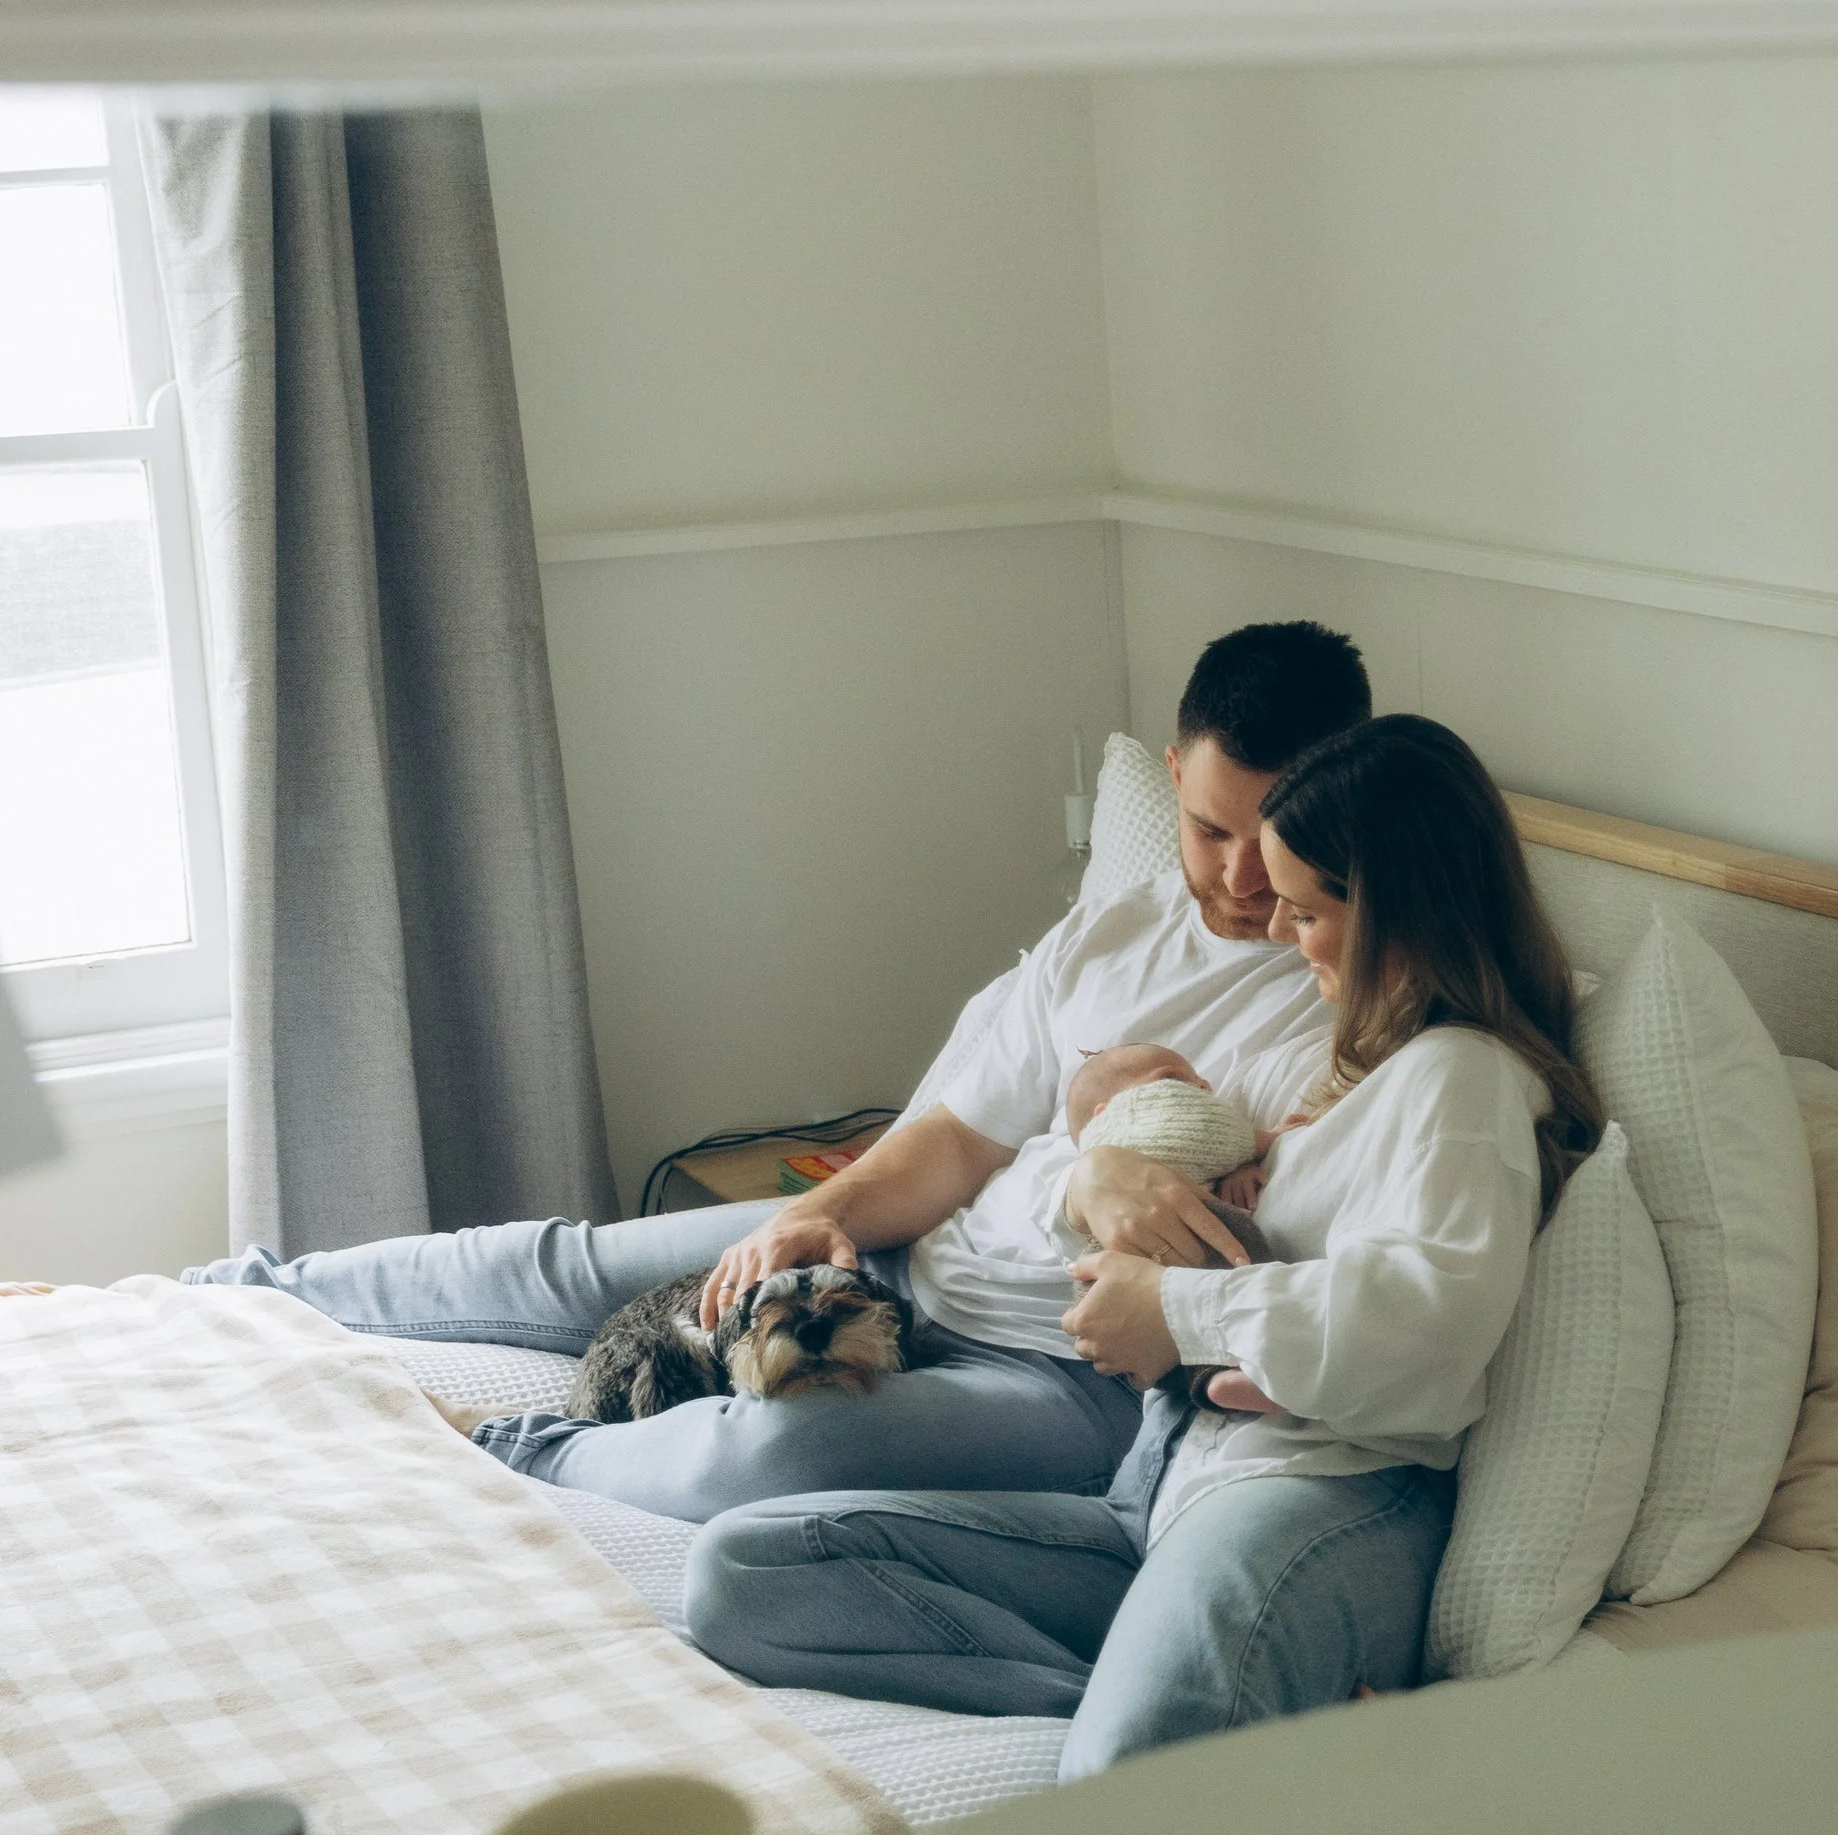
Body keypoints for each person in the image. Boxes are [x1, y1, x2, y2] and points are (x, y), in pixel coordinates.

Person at [184, 623, 1370, 1525]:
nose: (1246, 877)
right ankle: (226, 1293)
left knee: (779, 1452)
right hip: (915, 1254)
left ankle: (482, 1453)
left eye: (1274, 837)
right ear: (1172, 776)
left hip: (1066, 1367)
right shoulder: (1120, 927)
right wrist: (813, 1216)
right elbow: (953, 1142)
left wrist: (1105, 1144)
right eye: (1213, 830)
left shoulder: (1353, 995)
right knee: (576, 1261)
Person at [681, 714, 1603, 1772]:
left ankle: (1178, 1719)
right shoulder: (1339, 1068)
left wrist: (1173, 1312)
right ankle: (1200, 1704)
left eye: (1306, 911)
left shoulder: (1464, 1081)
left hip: (1316, 1492)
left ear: (1395, 911)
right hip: (1165, 1479)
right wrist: (1117, 1186)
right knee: (744, 1573)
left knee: (1124, 1780)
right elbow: (1185, 1177)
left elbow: (1427, 1325)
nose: (1284, 936)